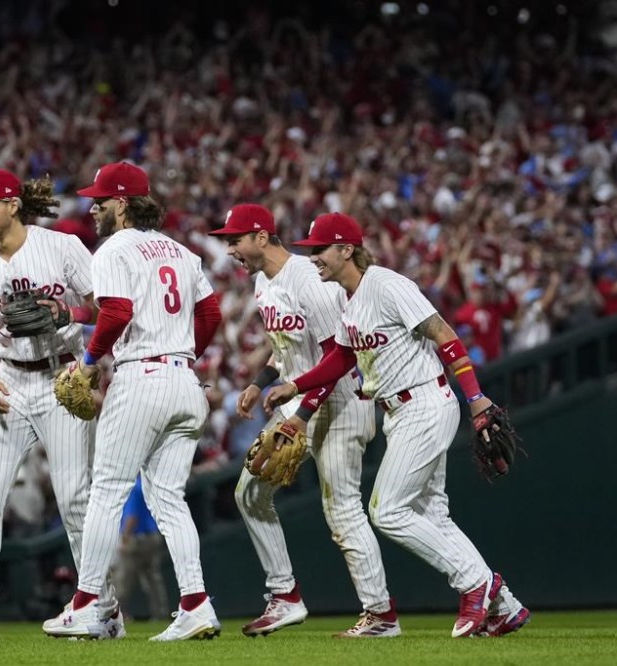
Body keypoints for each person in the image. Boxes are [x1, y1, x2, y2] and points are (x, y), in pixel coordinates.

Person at [266, 212, 529, 638]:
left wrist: (477, 398)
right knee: (433, 516)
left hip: (424, 401)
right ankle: (506, 607)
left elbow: (445, 335)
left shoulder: (388, 285)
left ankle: (477, 584)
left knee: (386, 510)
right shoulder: (350, 299)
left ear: (346, 249)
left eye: (320, 249)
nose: (313, 257)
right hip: (398, 411)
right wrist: (293, 384)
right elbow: (342, 359)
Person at [44, 162, 223, 641]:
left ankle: (85, 605)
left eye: (100, 200)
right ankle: (196, 603)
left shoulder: (113, 248)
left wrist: (87, 361)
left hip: (140, 378)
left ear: (122, 203)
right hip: (185, 381)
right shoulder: (183, 252)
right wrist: (184, 356)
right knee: (169, 497)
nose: (93, 207)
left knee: (106, 492)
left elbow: (119, 311)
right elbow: (210, 312)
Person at [0, 169, 114, 641]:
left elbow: (102, 307)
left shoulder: (61, 247)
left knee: (74, 497)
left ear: (12, 204)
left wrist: (65, 312)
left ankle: (102, 604)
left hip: (62, 377)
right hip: (11, 381)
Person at [208, 204, 397, 637]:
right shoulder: (261, 282)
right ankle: (285, 596)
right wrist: (260, 381)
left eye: (234, 239)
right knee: (251, 492)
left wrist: (302, 417)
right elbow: (287, 348)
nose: (230, 249)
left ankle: (381, 614)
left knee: (342, 508)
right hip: (300, 400)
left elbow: (339, 357)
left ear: (261, 237)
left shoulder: (309, 280)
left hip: (342, 401)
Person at [113, 474, 168, 622]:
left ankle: (116, 614)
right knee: (153, 578)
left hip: (136, 538)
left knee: (123, 578)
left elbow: (132, 517)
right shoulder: (147, 483)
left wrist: (124, 538)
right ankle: (160, 613)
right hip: (153, 535)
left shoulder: (133, 486)